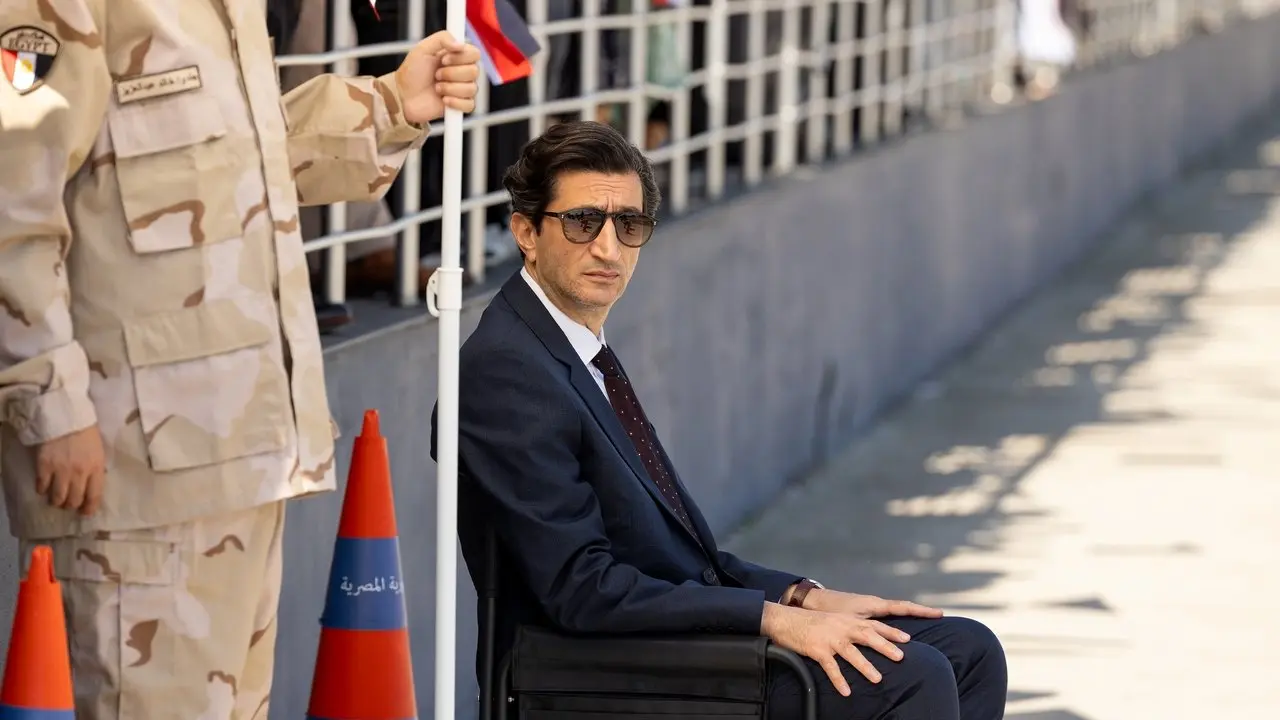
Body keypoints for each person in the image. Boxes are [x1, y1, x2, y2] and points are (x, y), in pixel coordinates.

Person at [0, 1, 480, 717]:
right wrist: (50, 403)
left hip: (241, 455)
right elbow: (13, 200)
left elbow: (242, 155)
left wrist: (391, 104)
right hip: (133, 483)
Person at [435, 120, 1008, 720]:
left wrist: (802, 597)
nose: (608, 248)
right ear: (526, 232)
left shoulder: (571, 347)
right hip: (593, 675)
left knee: (967, 651)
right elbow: (581, 588)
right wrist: (773, 620)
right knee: (911, 677)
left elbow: (680, 560)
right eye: (583, 222)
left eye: (628, 224)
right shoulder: (508, 370)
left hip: (662, 644)